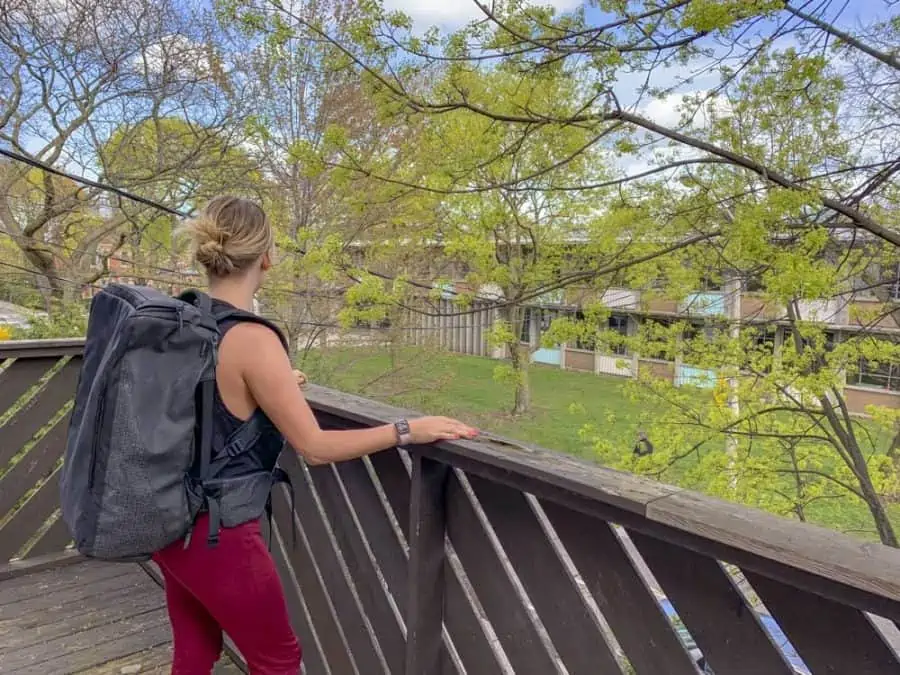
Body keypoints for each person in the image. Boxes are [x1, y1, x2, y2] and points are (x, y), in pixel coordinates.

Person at [152, 195, 478, 674]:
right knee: (279, 661)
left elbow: (207, 399)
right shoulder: (253, 339)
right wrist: (408, 429)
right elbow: (316, 447)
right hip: (217, 533)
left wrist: (277, 384)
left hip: (166, 516)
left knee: (196, 650)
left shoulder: (183, 319)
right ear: (267, 257)